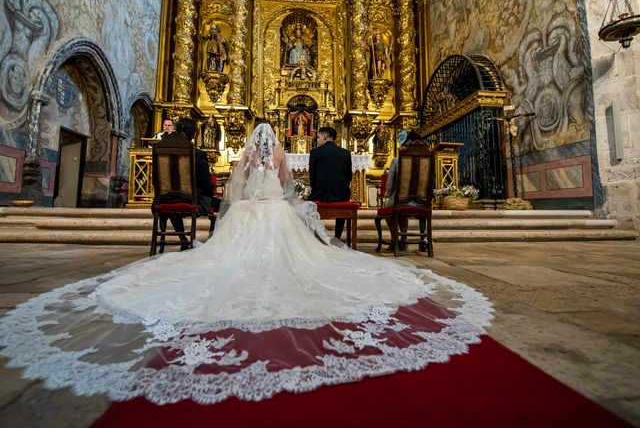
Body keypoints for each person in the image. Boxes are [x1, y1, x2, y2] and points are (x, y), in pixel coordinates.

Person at [0, 123, 492, 407]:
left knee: (219, 256)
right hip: (275, 213)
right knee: (307, 256)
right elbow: (286, 188)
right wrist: (293, 203)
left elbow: (240, 188)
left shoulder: (245, 156)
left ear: (251, 143)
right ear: (274, 140)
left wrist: (260, 192)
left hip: (247, 216)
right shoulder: (280, 153)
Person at [164, 118, 214, 249]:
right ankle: (213, 244)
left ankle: (183, 238)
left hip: (166, 199)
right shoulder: (198, 154)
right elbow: (206, 183)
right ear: (193, 135)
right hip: (193, 200)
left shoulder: (163, 152)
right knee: (225, 206)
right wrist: (210, 193)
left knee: (174, 198)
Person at [309, 126, 352, 239]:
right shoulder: (345, 153)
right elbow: (348, 177)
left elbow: (312, 177)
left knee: (306, 206)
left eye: (318, 137)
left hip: (320, 194)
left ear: (325, 136)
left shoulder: (315, 152)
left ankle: (314, 237)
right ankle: (337, 236)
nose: (317, 140)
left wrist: (316, 190)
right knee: (345, 195)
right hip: (341, 195)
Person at [384, 130, 417, 249]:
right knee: (403, 211)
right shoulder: (426, 159)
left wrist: (389, 194)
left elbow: (389, 185)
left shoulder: (397, 161)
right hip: (420, 202)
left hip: (400, 200)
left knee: (388, 209)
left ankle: (395, 239)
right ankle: (403, 238)